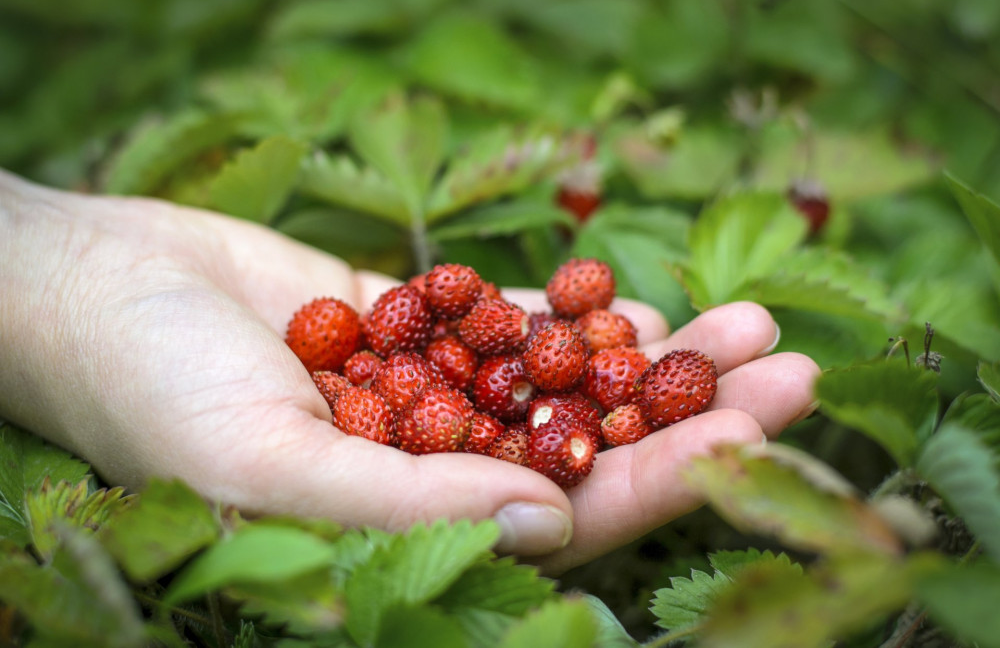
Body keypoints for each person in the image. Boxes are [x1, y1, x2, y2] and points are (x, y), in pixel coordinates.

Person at [0, 167, 820, 575]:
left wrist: (55, 259)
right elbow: (434, 370)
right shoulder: (421, 362)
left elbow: (516, 366)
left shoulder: (519, 362)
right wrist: (67, 289)